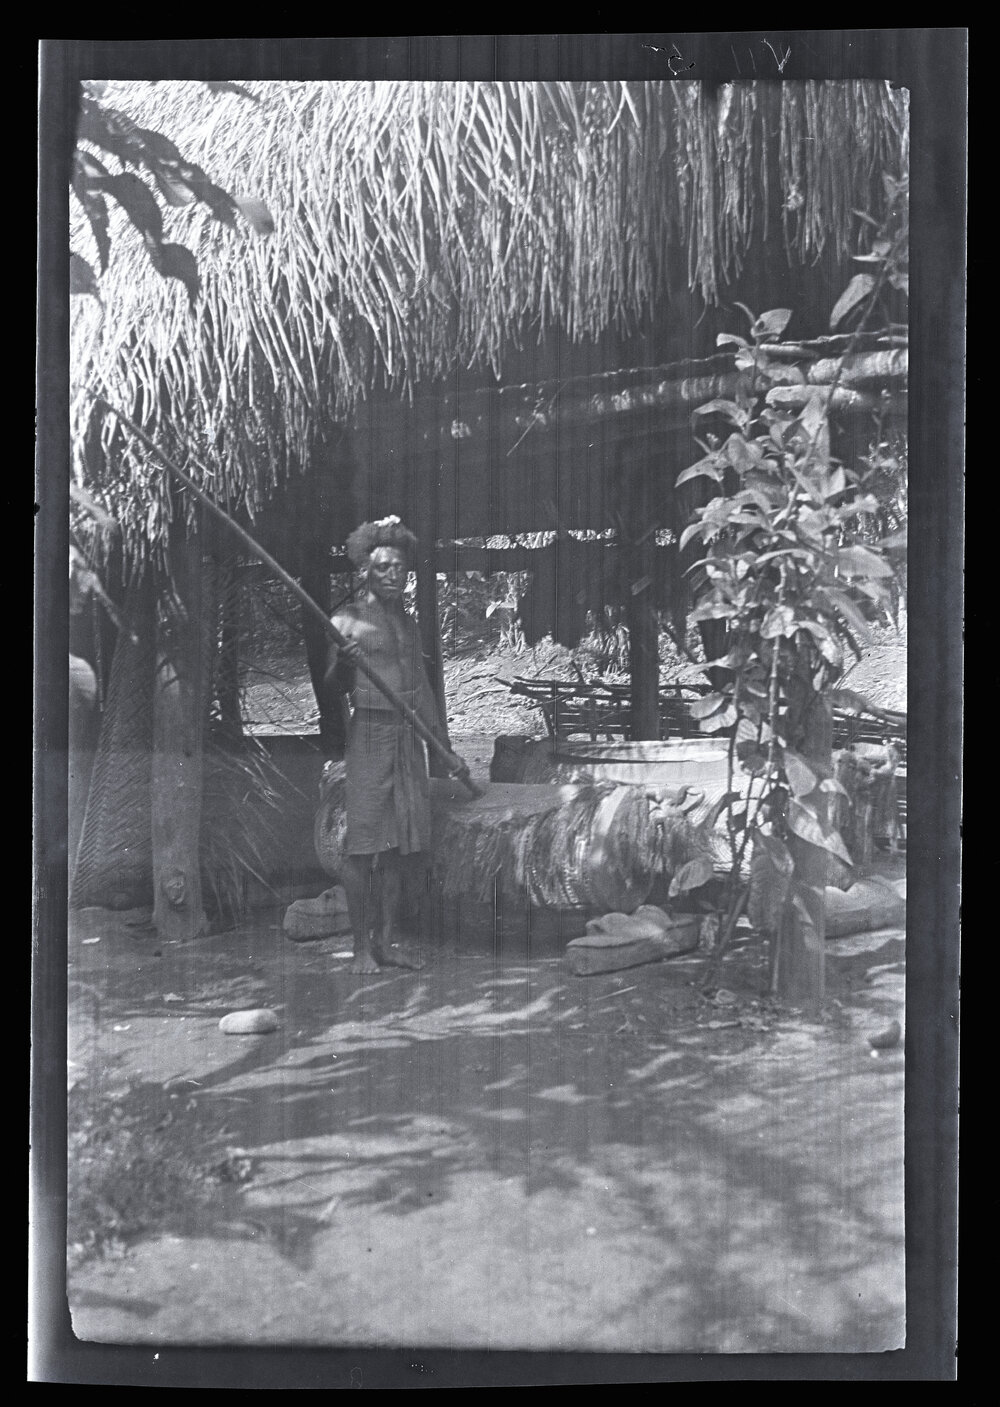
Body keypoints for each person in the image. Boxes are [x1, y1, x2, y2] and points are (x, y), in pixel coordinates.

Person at [324, 516, 446, 974]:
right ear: (365, 571)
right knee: (362, 847)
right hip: (370, 733)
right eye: (383, 568)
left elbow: (424, 688)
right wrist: (341, 661)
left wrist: (443, 749)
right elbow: (331, 687)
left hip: (407, 735)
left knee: (396, 848)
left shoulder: (409, 626)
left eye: (399, 568)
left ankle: (387, 943)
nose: (393, 575)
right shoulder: (345, 620)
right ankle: (359, 950)